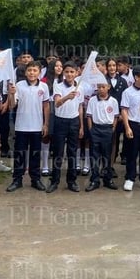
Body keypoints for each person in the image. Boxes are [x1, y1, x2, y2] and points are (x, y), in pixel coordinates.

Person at [7, 62, 50, 192]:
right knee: (19, 153)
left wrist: (46, 123)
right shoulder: (19, 86)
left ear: (39, 72)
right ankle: (17, 179)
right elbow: (12, 106)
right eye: (29, 70)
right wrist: (11, 94)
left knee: (35, 154)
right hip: (21, 126)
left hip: (37, 126)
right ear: (25, 72)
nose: (32, 73)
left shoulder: (44, 87)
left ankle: (35, 179)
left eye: (35, 70)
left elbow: (46, 106)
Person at [49, 62, 83, 193]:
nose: (69, 74)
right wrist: (67, 97)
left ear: (76, 73)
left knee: (72, 152)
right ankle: (55, 181)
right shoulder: (58, 86)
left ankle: (72, 181)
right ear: (63, 73)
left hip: (74, 121)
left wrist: (81, 126)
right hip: (60, 121)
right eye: (67, 72)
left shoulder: (80, 87)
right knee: (58, 152)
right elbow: (57, 103)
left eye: (72, 72)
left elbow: (80, 107)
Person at [85, 79, 119, 191]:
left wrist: (112, 128)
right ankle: (94, 180)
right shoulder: (92, 100)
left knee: (107, 156)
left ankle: (107, 179)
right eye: (99, 87)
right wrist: (91, 129)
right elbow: (89, 115)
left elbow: (115, 117)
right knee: (94, 156)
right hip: (95, 128)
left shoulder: (113, 101)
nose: (101, 89)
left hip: (107, 129)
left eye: (103, 87)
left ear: (108, 87)